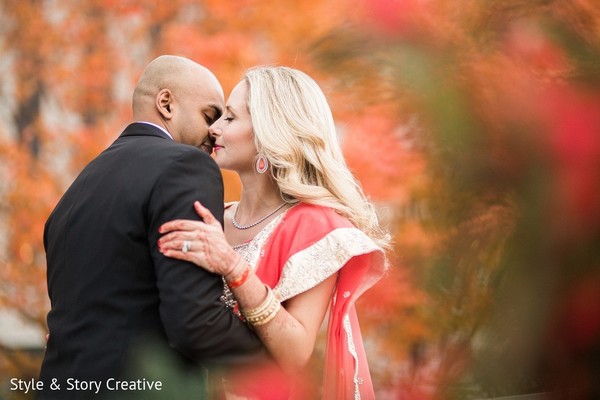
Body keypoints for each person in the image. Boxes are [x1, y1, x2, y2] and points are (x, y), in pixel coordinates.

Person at [158, 66, 389, 399]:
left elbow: (295, 352)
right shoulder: (214, 217)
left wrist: (234, 268)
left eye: (230, 118)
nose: (213, 128)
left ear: (269, 132)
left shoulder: (316, 226)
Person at [39, 55, 262, 399]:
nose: (214, 132)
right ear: (166, 103)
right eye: (209, 115)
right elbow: (194, 321)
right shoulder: (185, 167)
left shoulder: (78, 189)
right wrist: (271, 365)